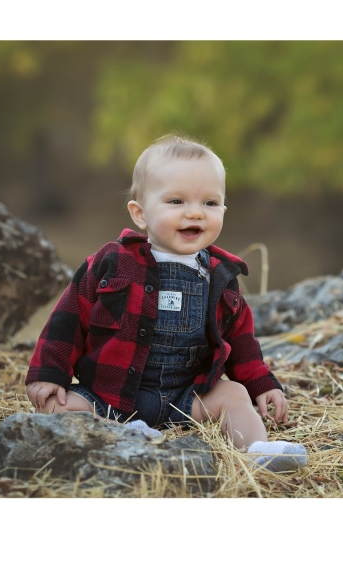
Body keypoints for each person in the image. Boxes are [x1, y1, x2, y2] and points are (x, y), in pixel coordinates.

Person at [25, 134, 307, 472]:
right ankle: (127, 436)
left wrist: (261, 384)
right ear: (140, 214)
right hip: (108, 396)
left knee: (233, 396)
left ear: (223, 211)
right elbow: (68, 318)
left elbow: (242, 342)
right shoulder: (112, 263)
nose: (195, 213)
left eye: (210, 203)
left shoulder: (220, 276)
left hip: (184, 398)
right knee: (55, 408)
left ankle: (257, 450)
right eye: (176, 201)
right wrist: (48, 372)